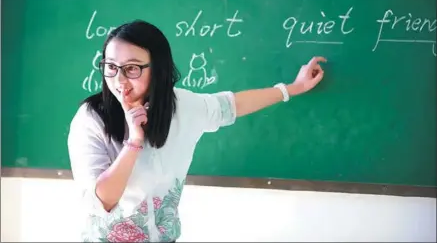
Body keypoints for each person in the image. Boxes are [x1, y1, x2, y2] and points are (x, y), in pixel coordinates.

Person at [67, 19, 327, 242]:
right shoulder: (91, 118)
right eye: (111, 66)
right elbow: (103, 201)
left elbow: (233, 105)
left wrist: (293, 88)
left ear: (157, 69)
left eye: (132, 68)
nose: (119, 79)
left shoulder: (183, 107)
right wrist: (134, 141)